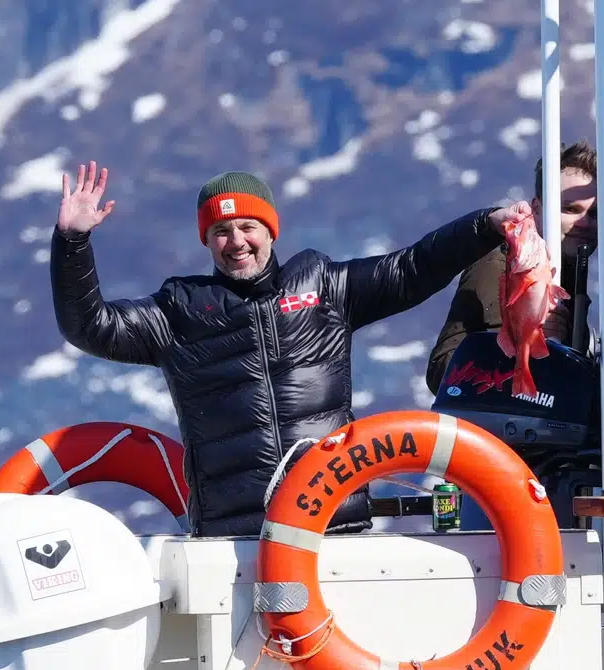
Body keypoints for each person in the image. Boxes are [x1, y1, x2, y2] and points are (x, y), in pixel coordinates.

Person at [50, 160, 526, 538]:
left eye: (248, 226)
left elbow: (412, 268)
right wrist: (72, 242)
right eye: (221, 231)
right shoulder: (179, 311)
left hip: (334, 527)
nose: (236, 242)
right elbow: (91, 327)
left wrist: (484, 226)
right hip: (235, 540)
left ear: (270, 230)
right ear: (207, 241)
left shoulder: (324, 286)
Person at [424, 140, 599, 395]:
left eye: (594, 214)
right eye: (570, 209)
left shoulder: (570, 273)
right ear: (537, 209)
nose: (584, 223)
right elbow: (442, 371)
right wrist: (525, 343)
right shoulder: (507, 265)